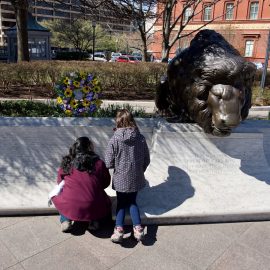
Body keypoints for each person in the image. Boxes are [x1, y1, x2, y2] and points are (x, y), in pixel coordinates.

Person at [105, 109, 150, 243]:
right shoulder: (141, 138)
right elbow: (146, 159)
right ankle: (138, 229)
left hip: (120, 178)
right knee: (132, 202)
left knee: (121, 203)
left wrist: (117, 166)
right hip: (136, 177)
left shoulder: (114, 140)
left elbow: (108, 162)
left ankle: (119, 229)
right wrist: (140, 170)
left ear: (118, 121)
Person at [51, 137, 111, 232]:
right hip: (92, 202)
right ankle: (93, 221)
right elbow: (106, 182)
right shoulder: (99, 163)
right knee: (101, 198)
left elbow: (59, 181)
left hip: (70, 202)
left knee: (60, 193)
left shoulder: (68, 162)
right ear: (89, 147)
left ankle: (65, 220)